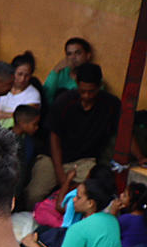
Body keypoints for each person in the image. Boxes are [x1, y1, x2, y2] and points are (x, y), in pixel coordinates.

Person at [33, 63, 121, 205]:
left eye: (91, 91)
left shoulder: (111, 104)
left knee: (82, 199)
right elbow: (54, 138)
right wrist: (61, 175)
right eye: (82, 91)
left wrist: (140, 157)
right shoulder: (63, 101)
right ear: (77, 84)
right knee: (35, 194)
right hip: (52, 158)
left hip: (84, 160)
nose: (86, 96)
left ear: (99, 86)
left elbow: (123, 131)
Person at [24, 170, 124, 247]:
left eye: (79, 197)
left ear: (90, 203)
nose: (74, 200)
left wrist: (32, 244)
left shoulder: (79, 229)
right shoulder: (112, 221)